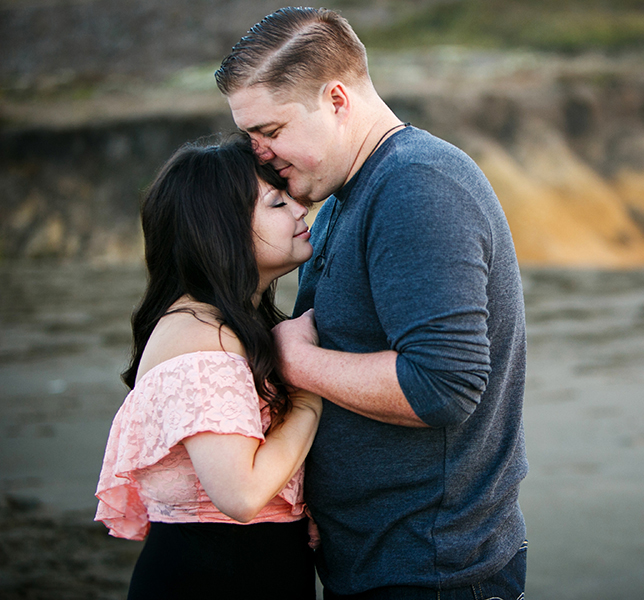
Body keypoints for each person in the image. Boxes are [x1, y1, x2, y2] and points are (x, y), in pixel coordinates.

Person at [216, 7, 528, 598]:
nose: (259, 154)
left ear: (336, 98)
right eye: (249, 137)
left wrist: (295, 362)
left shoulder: (418, 188)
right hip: (376, 561)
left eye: (272, 132)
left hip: (431, 572)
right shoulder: (341, 198)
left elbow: (442, 386)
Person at [94, 133, 322, 600]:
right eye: (277, 204)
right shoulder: (203, 337)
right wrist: (309, 394)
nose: (300, 210)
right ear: (223, 229)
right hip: (214, 577)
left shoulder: (224, 324)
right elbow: (240, 494)